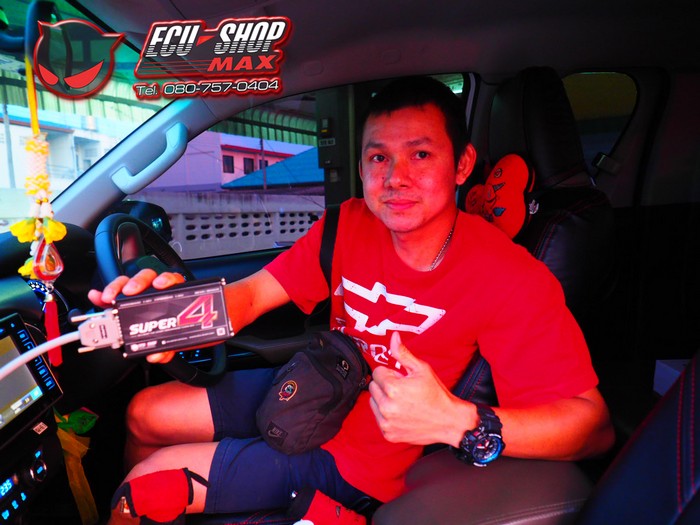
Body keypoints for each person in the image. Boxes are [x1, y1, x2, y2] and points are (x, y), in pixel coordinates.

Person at [90, 76, 614, 523]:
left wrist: (458, 421)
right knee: (144, 412)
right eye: (379, 157)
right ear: (361, 167)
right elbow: (251, 296)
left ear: (462, 165)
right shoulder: (348, 224)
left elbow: (592, 428)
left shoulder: (510, 276)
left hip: (364, 461)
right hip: (315, 386)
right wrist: (175, 314)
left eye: (421, 155)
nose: (395, 178)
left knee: (143, 488)